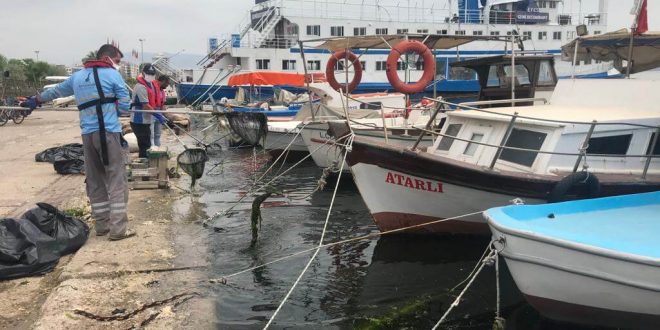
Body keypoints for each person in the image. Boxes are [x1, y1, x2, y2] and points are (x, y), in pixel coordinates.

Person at [20, 44, 135, 241]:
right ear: (107, 58)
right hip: (108, 133)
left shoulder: (78, 77)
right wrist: (113, 112)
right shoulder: (113, 75)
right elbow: (125, 104)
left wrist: (35, 100)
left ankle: (102, 225)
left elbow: (55, 92)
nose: (117, 65)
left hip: (88, 135)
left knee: (95, 179)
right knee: (117, 179)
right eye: (117, 61)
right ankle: (118, 230)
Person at [130, 64, 166, 157]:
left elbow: (154, 102)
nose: (150, 76)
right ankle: (144, 163)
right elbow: (145, 106)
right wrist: (158, 115)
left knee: (147, 143)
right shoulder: (140, 86)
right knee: (144, 145)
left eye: (152, 74)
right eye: (148, 73)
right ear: (143, 73)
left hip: (146, 120)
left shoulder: (151, 85)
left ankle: (145, 161)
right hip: (139, 121)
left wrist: (160, 113)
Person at [150, 75, 170, 147]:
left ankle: (158, 149)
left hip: (159, 113)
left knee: (158, 134)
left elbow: (163, 105)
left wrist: (166, 116)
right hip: (151, 113)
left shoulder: (162, 91)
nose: (167, 86)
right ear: (162, 81)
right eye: (167, 84)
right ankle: (152, 151)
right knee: (151, 135)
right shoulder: (151, 87)